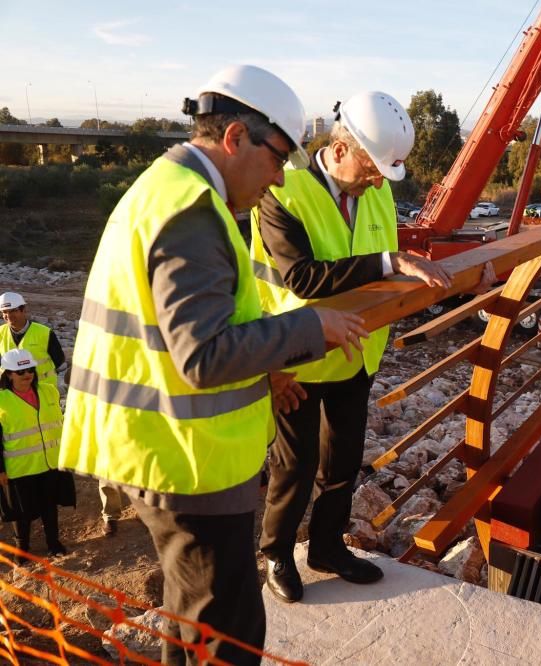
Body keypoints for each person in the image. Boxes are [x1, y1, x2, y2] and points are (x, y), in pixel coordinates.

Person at [58, 65, 370, 666]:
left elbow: (185, 337)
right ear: (233, 138)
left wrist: (266, 367)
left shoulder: (167, 188)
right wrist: (311, 327)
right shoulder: (193, 212)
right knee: (225, 632)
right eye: (277, 157)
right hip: (184, 460)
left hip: (162, 445)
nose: (280, 177)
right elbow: (201, 355)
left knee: (196, 623)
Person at [252, 90, 494, 603]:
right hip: (295, 358)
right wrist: (389, 262)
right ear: (341, 149)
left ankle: (326, 549)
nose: (380, 180)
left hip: (356, 353)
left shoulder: (376, 191)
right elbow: (302, 277)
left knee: (341, 465)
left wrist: (466, 273)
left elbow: (404, 259)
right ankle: (275, 552)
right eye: (374, 167)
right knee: (292, 468)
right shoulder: (282, 192)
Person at [0, 349, 75, 562]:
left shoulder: (49, 391)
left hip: (49, 463)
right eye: (21, 370)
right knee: (21, 513)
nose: (27, 374)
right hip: (20, 467)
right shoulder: (1, 400)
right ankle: (21, 550)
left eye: (30, 369)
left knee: (49, 506)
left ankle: (54, 543)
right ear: (9, 374)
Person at [0, 292, 65, 388]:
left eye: (13, 311)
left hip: (43, 387)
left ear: (23, 310)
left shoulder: (44, 333)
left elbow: (59, 360)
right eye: (4, 312)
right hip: (11, 389)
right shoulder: (1, 332)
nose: (8, 315)